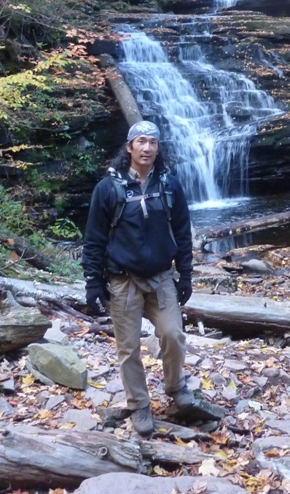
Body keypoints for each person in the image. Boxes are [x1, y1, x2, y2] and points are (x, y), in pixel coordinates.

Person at [82, 120, 194, 436]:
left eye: (153, 143)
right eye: (141, 142)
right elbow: (94, 239)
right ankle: (139, 405)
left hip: (161, 278)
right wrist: (93, 281)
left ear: (159, 148)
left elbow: (183, 232)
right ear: (129, 147)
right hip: (123, 280)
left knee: (173, 335)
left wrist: (185, 275)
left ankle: (176, 387)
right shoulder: (108, 189)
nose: (147, 148)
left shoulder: (170, 185)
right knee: (128, 348)